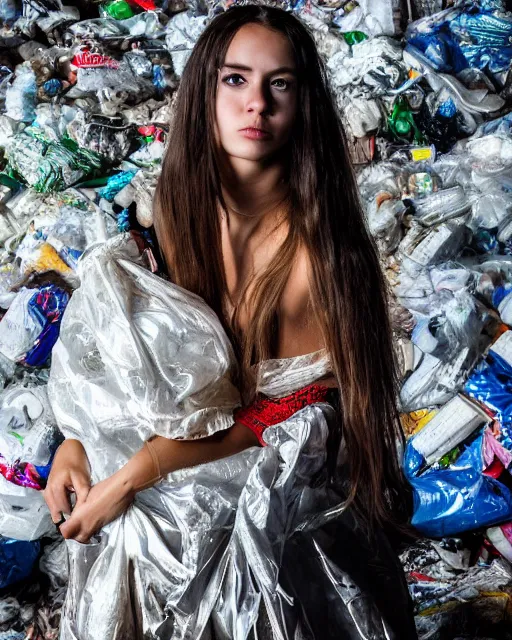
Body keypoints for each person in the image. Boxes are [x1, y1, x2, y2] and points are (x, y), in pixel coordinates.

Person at [44, 4, 418, 639]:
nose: (258, 106)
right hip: (166, 495)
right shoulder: (171, 212)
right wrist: (74, 443)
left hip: (269, 511)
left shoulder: (318, 253)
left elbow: (287, 413)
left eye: (280, 84)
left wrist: (133, 476)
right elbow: (122, 357)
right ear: (205, 93)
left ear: (302, 101)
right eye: (236, 80)